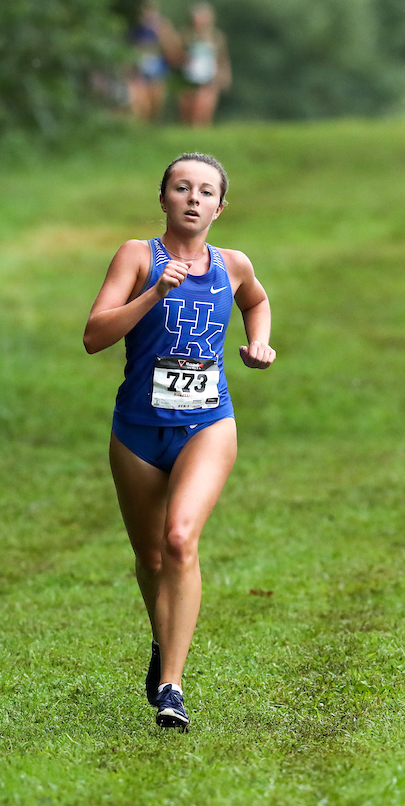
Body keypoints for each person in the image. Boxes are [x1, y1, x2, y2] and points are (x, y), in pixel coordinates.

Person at [83, 153, 275, 730]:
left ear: (220, 206)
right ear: (163, 198)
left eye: (205, 191)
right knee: (151, 557)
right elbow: (94, 335)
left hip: (207, 423)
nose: (192, 198)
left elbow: (256, 302)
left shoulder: (234, 264)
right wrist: (152, 295)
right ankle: (162, 640)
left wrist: (258, 343)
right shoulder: (137, 257)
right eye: (181, 187)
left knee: (180, 537)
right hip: (138, 431)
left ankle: (172, 685)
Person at [177, 1, 231, 128]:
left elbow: (222, 58)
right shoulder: (185, 35)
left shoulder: (217, 37)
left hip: (210, 77)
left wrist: (225, 76)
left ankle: (201, 132)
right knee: (187, 111)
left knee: (204, 108)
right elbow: (176, 55)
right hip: (188, 77)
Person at [127, 0, 180, 123]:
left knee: (156, 102)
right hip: (139, 69)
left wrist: (161, 34)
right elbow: (128, 47)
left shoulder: (163, 25)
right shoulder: (135, 27)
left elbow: (173, 45)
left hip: (158, 68)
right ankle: (141, 126)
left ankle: (151, 125)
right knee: (140, 103)